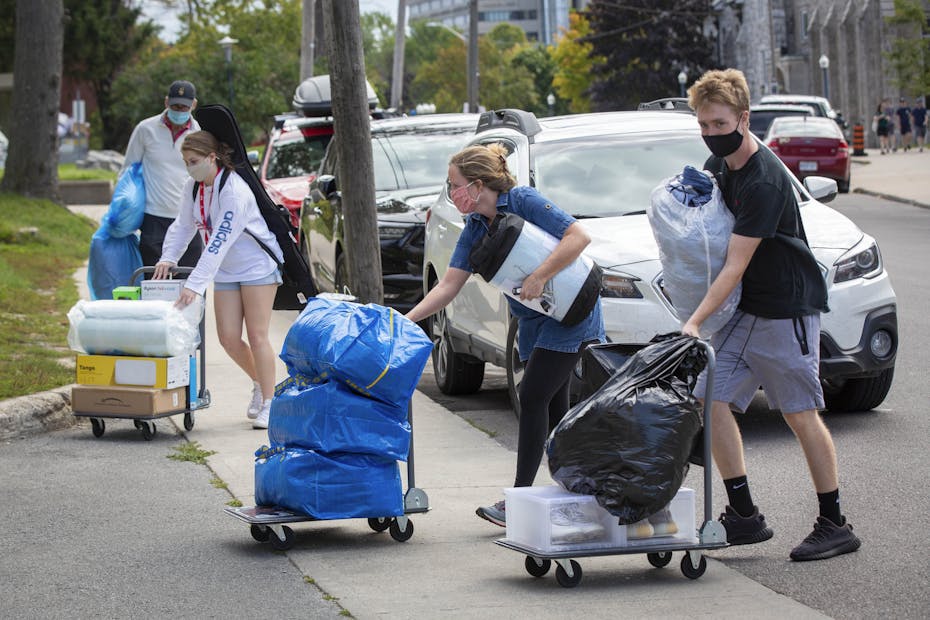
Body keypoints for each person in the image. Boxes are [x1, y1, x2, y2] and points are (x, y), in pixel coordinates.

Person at [682, 68, 861, 562]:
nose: (711, 135)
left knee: (799, 414)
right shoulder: (720, 167)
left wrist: (694, 320)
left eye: (720, 125)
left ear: (743, 118)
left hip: (785, 307)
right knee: (709, 399)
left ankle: (835, 523)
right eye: (703, 126)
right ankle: (743, 516)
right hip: (747, 311)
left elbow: (734, 265)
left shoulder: (764, 180)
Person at [405, 143, 605, 527]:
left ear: (478, 185)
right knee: (554, 409)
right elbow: (449, 285)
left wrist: (540, 275)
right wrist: (406, 319)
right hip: (532, 321)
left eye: (455, 185)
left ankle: (518, 498)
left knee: (531, 397)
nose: (452, 194)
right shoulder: (475, 226)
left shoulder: (523, 200)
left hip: (570, 311)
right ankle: (580, 487)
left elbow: (578, 237)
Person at [153, 130, 284, 430]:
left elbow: (218, 241)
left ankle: (270, 402)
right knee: (227, 338)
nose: (190, 168)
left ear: (213, 158)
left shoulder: (234, 191)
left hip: (256, 267)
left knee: (257, 335)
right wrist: (168, 257)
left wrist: (195, 284)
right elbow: (183, 225)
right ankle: (258, 382)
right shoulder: (194, 187)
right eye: (186, 162)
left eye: (194, 161)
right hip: (226, 270)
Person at [122, 80, 203, 269]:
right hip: (153, 217)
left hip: (188, 217)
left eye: (184, 107)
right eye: (175, 105)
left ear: (194, 105)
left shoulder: (199, 134)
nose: (179, 110)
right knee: (154, 283)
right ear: (166, 102)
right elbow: (128, 170)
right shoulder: (145, 129)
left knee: (188, 281)